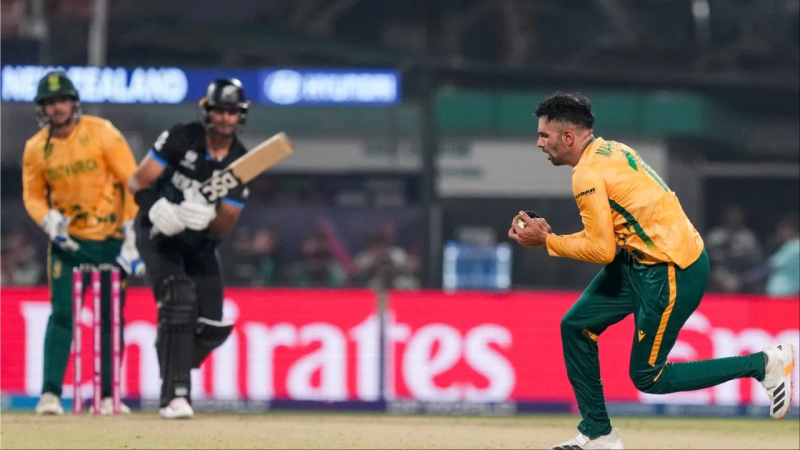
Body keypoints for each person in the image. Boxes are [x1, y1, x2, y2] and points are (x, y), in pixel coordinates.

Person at [508, 92, 795, 450]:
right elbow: (608, 239)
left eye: (544, 135)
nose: (539, 143)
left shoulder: (587, 174)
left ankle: (763, 363)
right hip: (642, 259)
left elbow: (601, 250)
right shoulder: (612, 150)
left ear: (567, 137)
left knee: (648, 376)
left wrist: (548, 242)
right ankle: (598, 434)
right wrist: (552, 239)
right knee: (576, 325)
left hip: (671, 270)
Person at [126, 78, 252, 419]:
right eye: (219, 110)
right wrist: (155, 207)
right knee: (179, 300)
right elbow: (137, 181)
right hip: (158, 233)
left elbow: (225, 224)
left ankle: (169, 345)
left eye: (232, 112)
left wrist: (209, 218)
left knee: (211, 324)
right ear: (206, 111)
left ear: (241, 115)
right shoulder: (181, 137)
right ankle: (175, 395)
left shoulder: (241, 162)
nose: (225, 118)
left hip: (199, 243)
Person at [22, 71, 142, 416]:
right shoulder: (36, 148)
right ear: (42, 108)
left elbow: (132, 182)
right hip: (68, 243)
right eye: (50, 102)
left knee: (109, 318)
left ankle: (107, 396)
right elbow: (32, 195)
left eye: (62, 100)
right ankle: (50, 394)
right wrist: (46, 218)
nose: (57, 108)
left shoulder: (102, 132)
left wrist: (132, 233)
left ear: (74, 102)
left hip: (110, 241)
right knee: (62, 315)